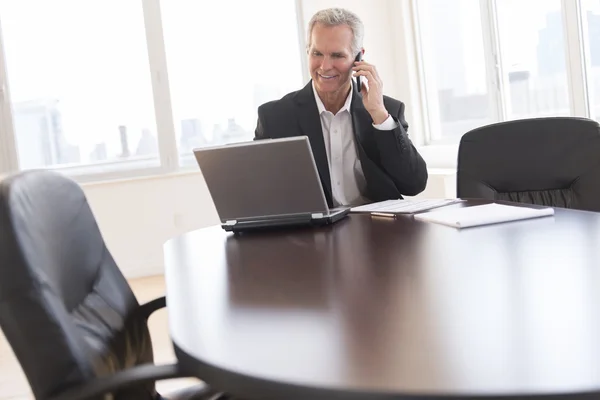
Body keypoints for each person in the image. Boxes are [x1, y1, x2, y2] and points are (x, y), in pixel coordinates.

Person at [254, 7, 427, 208]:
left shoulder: (386, 110)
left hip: (376, 231)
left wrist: (379, 115)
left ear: (358, 57)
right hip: (310, 234)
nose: (325, 66)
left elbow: (413, 184)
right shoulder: (275, 117)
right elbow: (259, 193)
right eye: (317, 53)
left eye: (337, 55)